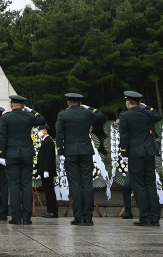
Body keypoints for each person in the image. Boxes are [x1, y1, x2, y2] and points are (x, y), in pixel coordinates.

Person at [55, 93, 105, 226]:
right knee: (87, 183)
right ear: (80, 103)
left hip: (71, 152)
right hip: (85, 151)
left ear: (68, 102)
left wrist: (60, 151)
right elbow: (100, 115)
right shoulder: (87, 113)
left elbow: (59, 133)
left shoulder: (63, 115)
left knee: (75, 184)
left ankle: (78, 216)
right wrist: (89, 108)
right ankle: (88, 217)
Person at [0, 95, 46, 225]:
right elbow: (42, 119)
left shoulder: (6, 117)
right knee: (26, 185)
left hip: (11, 153)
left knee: (13, 185)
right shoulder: (29, 117)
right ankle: (27, 217)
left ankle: (16, 217)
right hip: (26, 154)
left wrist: (1, 154)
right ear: (23, 106)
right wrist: (31, 111)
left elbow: (3, 137)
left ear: (11, 105)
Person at [120, 90, 162, 227]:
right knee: (150, 183)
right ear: (139, 102)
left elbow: (124, 135)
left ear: (128, 102)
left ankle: (144, 216)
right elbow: (158, 116)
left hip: (135, 152)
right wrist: (147, 106)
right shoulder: (147, 113)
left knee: (138, 185)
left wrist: (124, 153)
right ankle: (155, 217)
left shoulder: (125, 115)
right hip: (149, 151)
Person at [36, 124, 58, 218]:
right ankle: (51, 211)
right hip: (45, 171)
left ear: (45, 131)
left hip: (47, 171)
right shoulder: (45, 141)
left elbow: (49, 157)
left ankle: (53, 211)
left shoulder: (49, 141)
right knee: (48, 190)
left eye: (40, 130)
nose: (39, 132)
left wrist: (46, 170)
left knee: (49, 191)